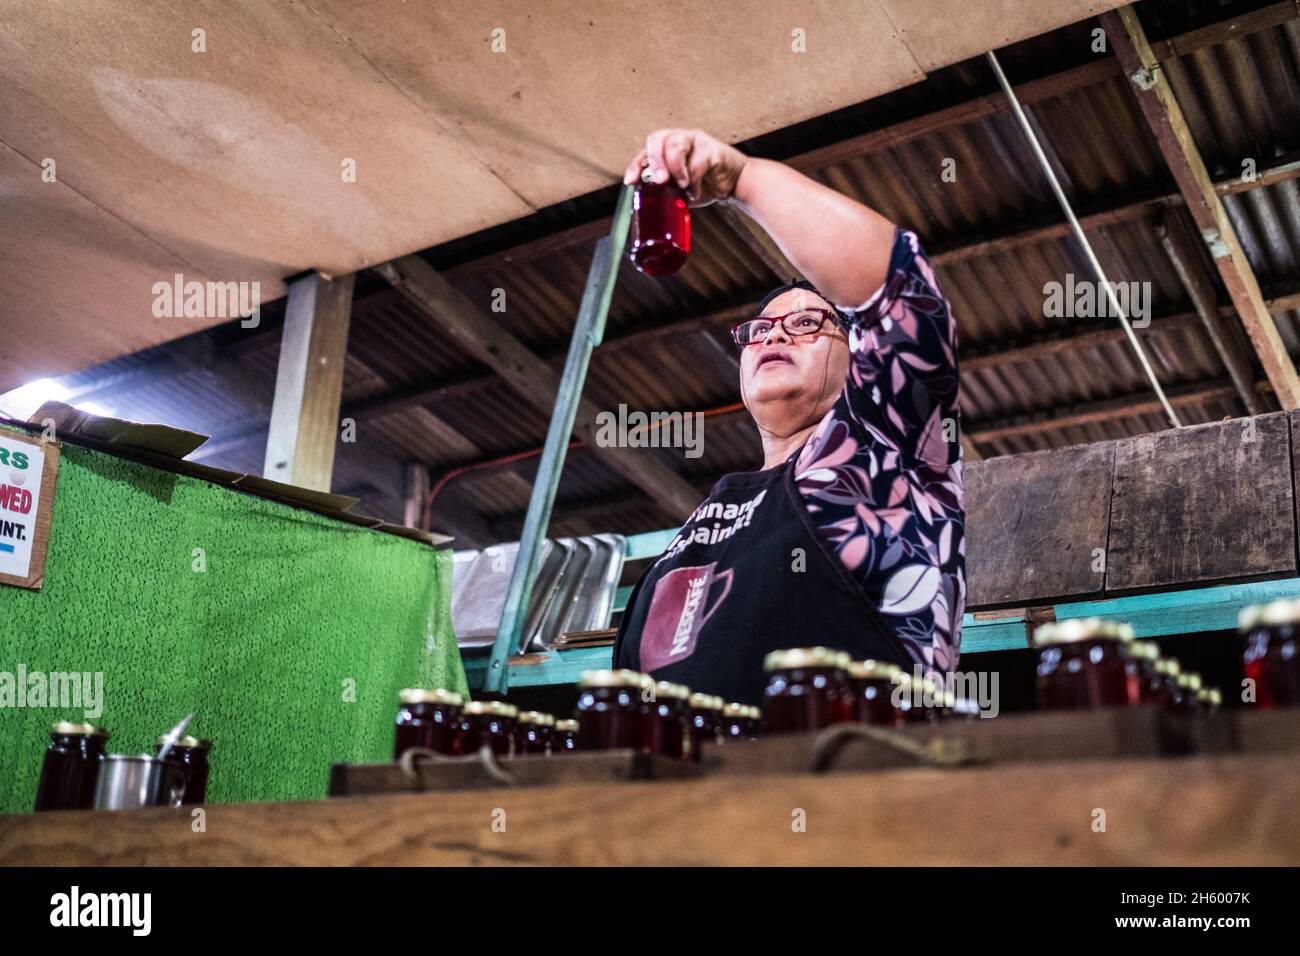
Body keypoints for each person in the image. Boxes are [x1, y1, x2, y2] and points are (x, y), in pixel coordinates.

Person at [610, 128, 964, 705]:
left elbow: (903, 297)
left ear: (860, 359)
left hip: (858, 784)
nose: (775, 333)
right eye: (760, 330)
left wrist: (741, 180)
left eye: (805, 323)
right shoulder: (704, 519)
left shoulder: (883, 451)